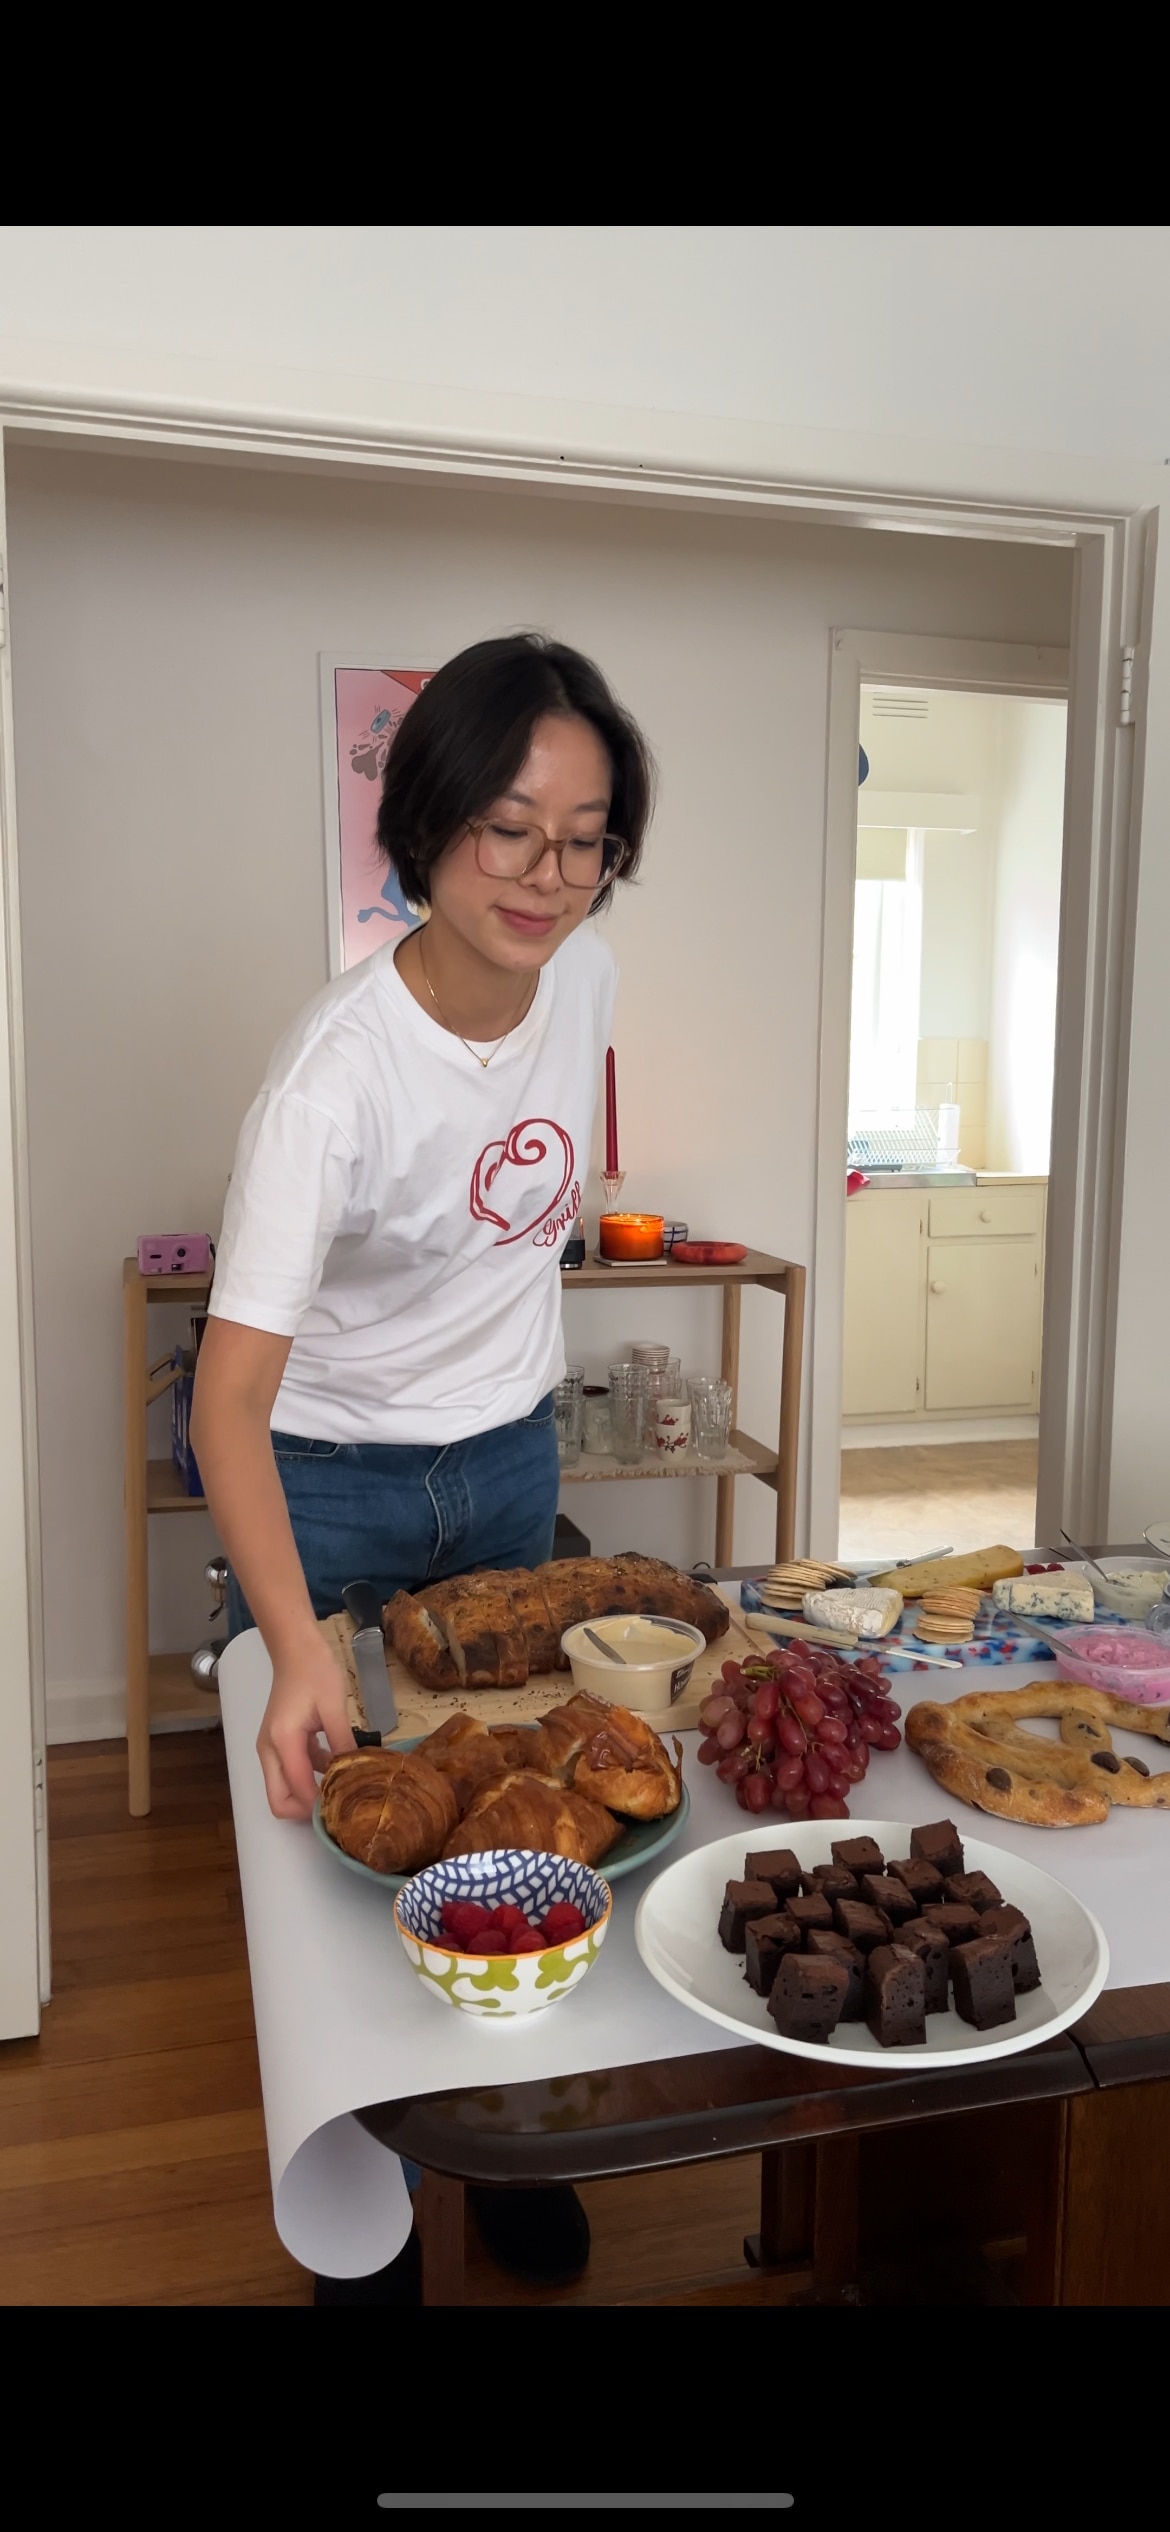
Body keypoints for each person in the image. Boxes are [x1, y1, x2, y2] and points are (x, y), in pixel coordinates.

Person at [191, 632, 654, 2300]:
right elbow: (223, 1405)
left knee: (519, 1815)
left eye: (582, 835)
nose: (544, 875)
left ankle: (511, 2136)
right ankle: (362, 2225)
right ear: (430, 827)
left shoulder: (584, 974)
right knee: (348, 1855)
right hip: (331, 1478)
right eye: (506, 828)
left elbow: (527, 1210)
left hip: (510, 1465)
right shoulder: (331, 1077)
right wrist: (298, 1641)